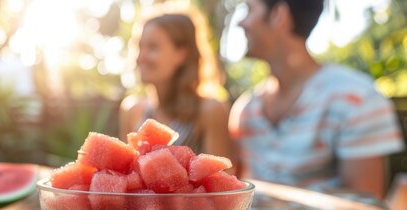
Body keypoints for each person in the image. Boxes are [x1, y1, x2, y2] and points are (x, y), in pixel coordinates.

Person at [229, 0, 404, 199]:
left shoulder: (357, 99)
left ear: (279, 15)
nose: (240, 22)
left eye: (249, 9)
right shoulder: (246, 109)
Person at [119, 12, 233, 159]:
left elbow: (222, 177)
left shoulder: (209, 110)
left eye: (153, 47)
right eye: (140, 47)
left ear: (182, 54)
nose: (140, 58)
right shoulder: (132, 110)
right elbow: (125, 174)